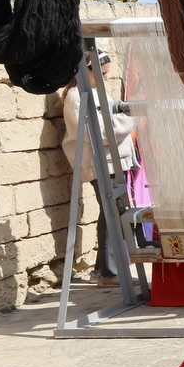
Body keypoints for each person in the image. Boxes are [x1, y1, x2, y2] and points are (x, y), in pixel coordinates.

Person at [62, 51, 136, 284]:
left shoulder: (94, 93)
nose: (105, 76)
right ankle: (109, 272)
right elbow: (103, 131)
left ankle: (100, 269)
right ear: (86, 71)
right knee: (111, 213)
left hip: (112, 163)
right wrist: (131, 116)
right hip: (101, 165)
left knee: (113, 213)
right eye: (101, 73)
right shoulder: (76, 97)